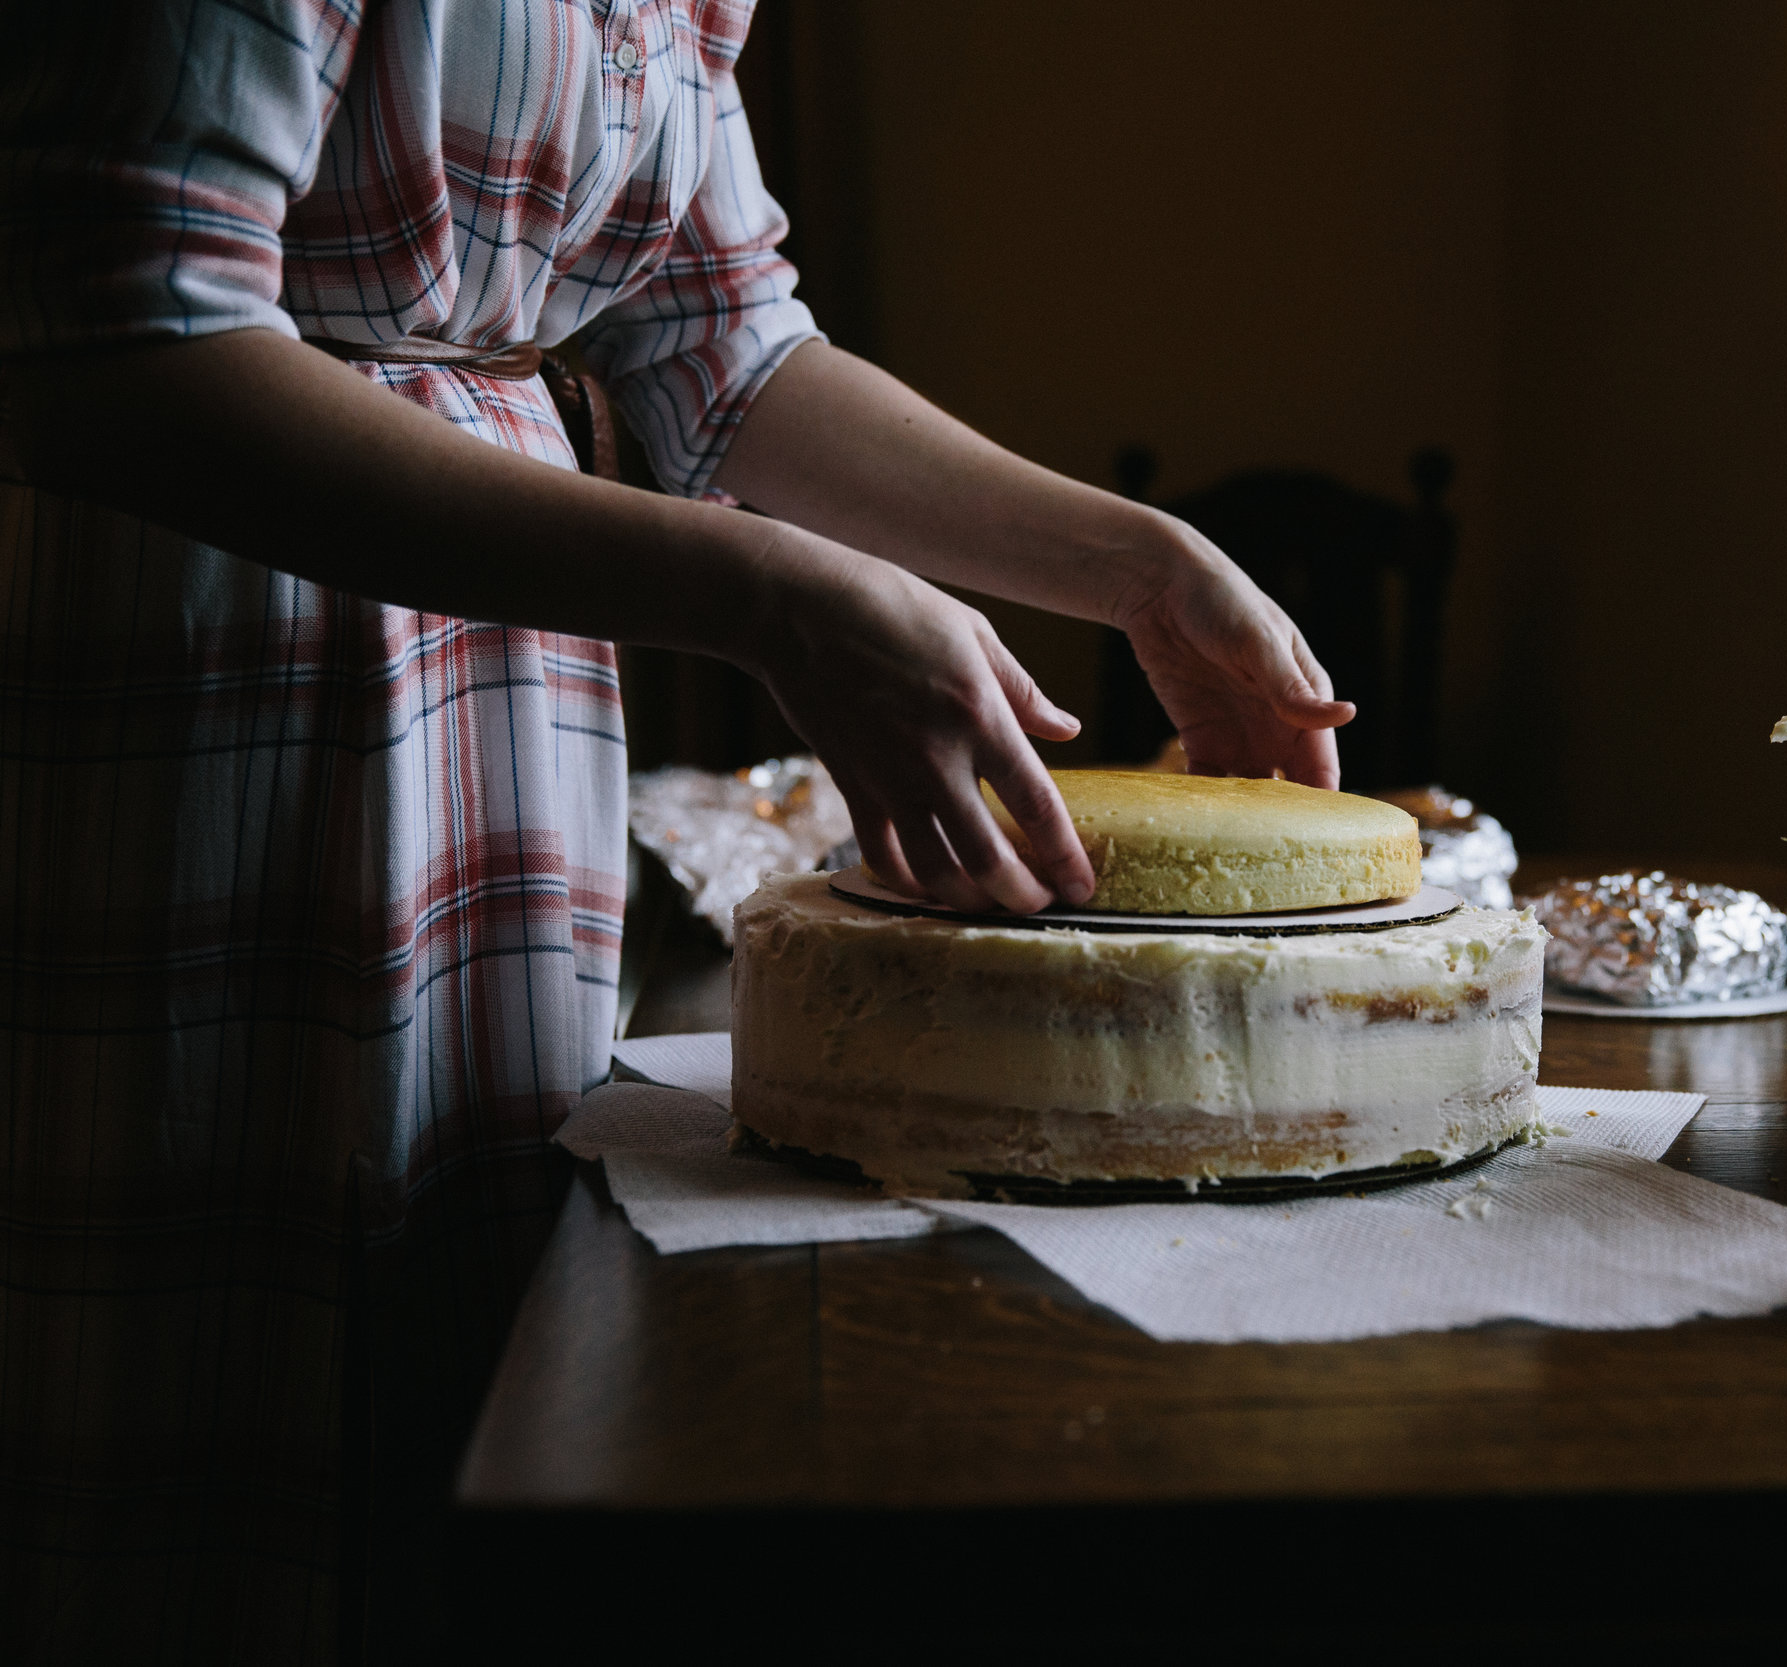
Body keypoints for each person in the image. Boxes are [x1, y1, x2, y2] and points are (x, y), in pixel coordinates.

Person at [0, 3, 1350, 1659]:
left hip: (505, 719)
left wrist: (1136, 566)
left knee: (449, 1419)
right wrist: (763, 596)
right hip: (214, 698)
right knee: (207, 1467)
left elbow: (724, 345)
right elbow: (119, 344)